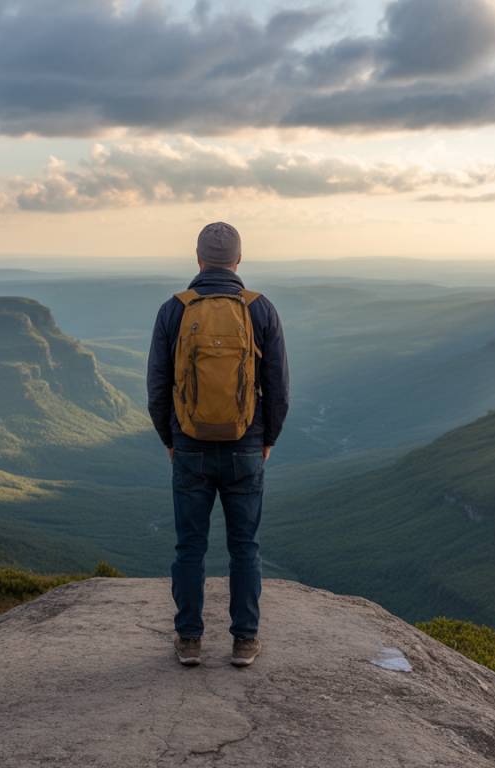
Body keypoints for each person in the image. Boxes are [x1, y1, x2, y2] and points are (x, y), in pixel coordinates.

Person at [147, 222, 290, 668]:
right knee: (244, 546)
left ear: (198, 259)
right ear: (238, 260)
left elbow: (157, 386)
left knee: (190, 546)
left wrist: (170, 438)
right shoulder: (260, 310)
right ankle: (244, 640)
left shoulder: (175, 310)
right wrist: (266, 438)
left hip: (188, 446)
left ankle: (189, 639)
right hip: (246, 445)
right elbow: (278, 387)